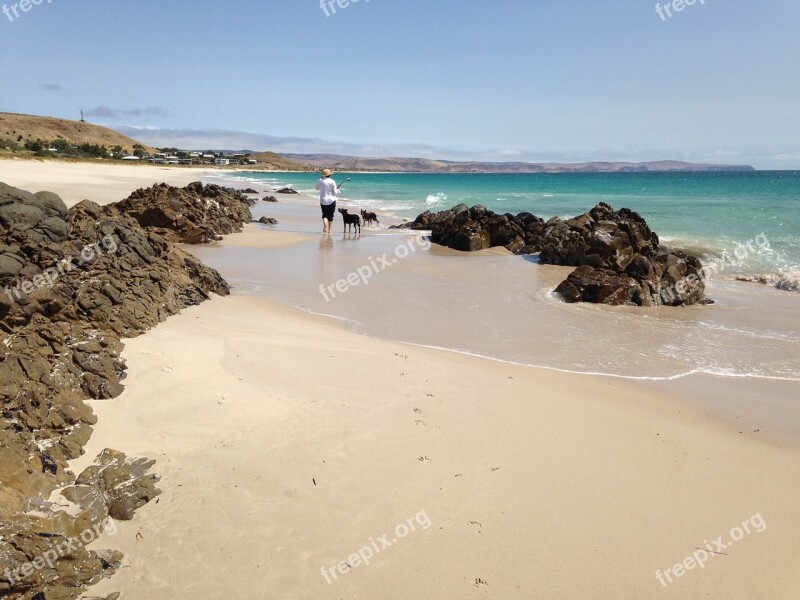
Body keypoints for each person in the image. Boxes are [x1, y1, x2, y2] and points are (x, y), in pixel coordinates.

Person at [315, 168, 337, 234]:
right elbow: (335, 192)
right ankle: (329, 230)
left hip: (323, 200)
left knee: (324, 215)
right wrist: (337, 189)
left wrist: (320, 180)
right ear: (330, 175)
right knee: (331, 215)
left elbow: (316, 188)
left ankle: (325, 225)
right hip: (332, 200)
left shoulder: (320, 181)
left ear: (324, 175)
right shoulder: (333, 181)